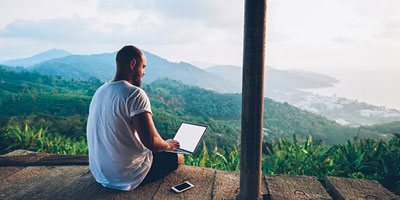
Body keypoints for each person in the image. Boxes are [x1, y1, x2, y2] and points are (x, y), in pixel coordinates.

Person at [86, 45, 184, 191]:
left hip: (100, 174)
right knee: (179, 156)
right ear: (132, 64)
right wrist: (168, 145)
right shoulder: (134, 93)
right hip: (126, 176)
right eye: (143, 67)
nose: (144, 73)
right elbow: (152, 142)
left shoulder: (100, 91)